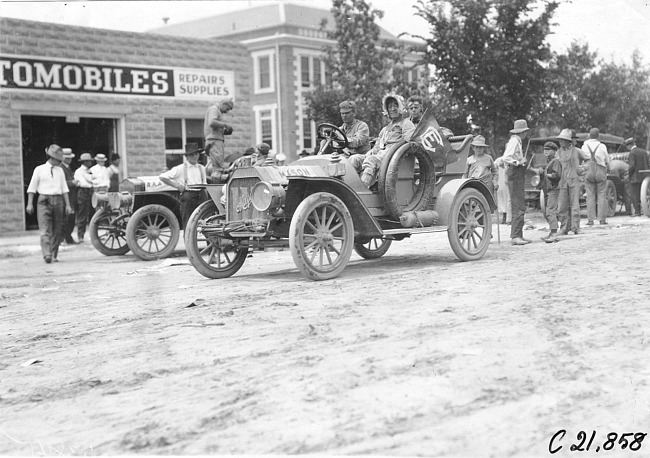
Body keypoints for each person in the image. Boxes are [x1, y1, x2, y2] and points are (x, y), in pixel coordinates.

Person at [350, 94, 415, 188]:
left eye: (395, 106)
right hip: (381, 155)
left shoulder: (406, 123)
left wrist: (392, 149)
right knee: (354, 159)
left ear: (401, 107)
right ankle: (350, 188)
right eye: (390, 106)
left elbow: (409, 144)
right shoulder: (385, 129)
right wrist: (370, 153)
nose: (392, 109)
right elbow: (376, 147)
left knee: (371, 160)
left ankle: (363, 189)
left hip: (394, 157)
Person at [25, 145, 73, 263]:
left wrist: (67, 205)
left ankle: (53, 254)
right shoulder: (39, 169)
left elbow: (64, 189)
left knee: (57, 229)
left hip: (58, 201)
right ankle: (47, 254)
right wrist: (30, 203)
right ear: (52, 158)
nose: (60, 162)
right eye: (58, 160)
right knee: (44, 228)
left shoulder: (60, 170)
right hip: (43, 201)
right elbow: (32, 188)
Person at [159, 143, 207, 229]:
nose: (195, 156)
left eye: (196, 153)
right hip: (188, 196)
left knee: (206, 220)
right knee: (188, 222)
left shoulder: (201, 168)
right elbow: (162, 177)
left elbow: (205, 183)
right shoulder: (180, 168)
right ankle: (188, 242)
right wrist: (177, 186)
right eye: (192, 154)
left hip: (201, 195)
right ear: (187, 156)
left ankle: (210, 242)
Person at [502, 119, 531, 246]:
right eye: (525, 132)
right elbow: (506, 157)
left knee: (520, 205)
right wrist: (519, 162)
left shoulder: (517, 142)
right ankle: (515, 235)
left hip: (517, 175)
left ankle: (519, 234)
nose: (525, 134)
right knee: (518, 205)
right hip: (514, 174)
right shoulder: (514, 141)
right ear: (523, 132)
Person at [556, 129, 589, 235]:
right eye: (560, 140)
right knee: (562, 206)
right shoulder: (558, 152)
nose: (560, 142)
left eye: (563, 140)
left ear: (568, 141)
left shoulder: (577, 151)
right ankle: (564, 227)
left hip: (574, 181)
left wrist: (583, 168)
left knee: (575, 205)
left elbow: (589, 160)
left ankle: (576, 227)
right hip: (562, 182)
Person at [581, 128, 610, 225]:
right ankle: (602, 219)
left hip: (588, 170)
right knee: (602, 194)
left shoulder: (584, 146)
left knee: (590, 196)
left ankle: (590, 220)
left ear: (589, 135)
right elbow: (607, 159)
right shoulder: (602, 146)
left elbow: (582, 159)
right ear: (598, 136)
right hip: (600, 170)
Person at [204, 98, 234, 183]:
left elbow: (214, 128)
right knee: (218, 168)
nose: (227, 111)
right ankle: (216, 187)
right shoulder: (214, 109)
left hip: (215, 139)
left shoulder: (216, 111)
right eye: (227, 109)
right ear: (223, 104)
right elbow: (212, 122)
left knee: (217, 166)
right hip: (214, 141)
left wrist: (225, 131)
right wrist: (225, 124)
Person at [540, 142, 561, 243]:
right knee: (548, 211)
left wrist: (545, 174)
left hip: (553, 188)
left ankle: (554, 234)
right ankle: (552, 232)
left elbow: (556, 175)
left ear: (554, 151)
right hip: (548, 189)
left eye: (548, 149)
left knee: (550, 211)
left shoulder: (555, 161)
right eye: (545, 149)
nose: (546, 151)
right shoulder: (549, 161)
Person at [74, 153, 95, 243]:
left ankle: (93, 235)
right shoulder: (79, 171)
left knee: (92, 214)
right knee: (82, 215)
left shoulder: (90, 170)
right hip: (83, 192)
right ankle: (80, 236)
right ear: (84, 162)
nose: (90, 162)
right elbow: (82, 183)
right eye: (89, 161)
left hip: (91, 192)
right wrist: (91, 184)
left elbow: (95, 180)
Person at [626, 137, 650, 216]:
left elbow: (632, 166)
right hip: (645, 176)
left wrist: (629, 174)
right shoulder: (643, 151)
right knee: (643, 194)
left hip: (635, 177)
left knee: (635, 195)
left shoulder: (632, 153)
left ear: (629, 146)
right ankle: (645, 209)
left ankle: (637, 212)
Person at [60, 148, 78, 244]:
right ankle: (62, 238)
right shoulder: (61, 168)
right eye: (67, 158)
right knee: (65, 218)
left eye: (69, 158)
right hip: (65, 197)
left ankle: (68, 237)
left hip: (71, 196)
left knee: (71, 218)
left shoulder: (68, 168)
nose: (69, 160)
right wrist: (72, 182)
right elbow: (61, 183)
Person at [494, 155, 511, 224]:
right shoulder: (499, 159)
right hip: (501, 182)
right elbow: (493, 167)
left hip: (508, 182)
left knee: (508, 200)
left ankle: (508, 218)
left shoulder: (511, 160)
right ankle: (505, 217)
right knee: (503, 199)